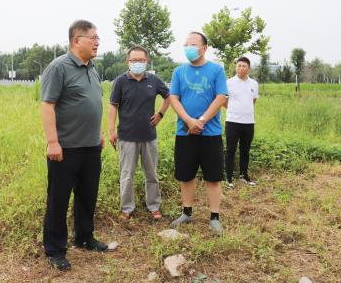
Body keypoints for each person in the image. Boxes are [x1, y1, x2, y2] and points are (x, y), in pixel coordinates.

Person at [40, 20, 107, 272]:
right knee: (58, 199)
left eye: (98, 38)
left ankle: (84, 237)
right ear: (76, 40)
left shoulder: (92, 68)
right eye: (93, 38)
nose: (97, 42)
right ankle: (55, 249)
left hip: (91, 147)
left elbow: (92, 103)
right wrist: (53, 141)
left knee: (87, 195)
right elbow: (47, 105)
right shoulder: (58, 67)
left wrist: (98, 132)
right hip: (65, 148)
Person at [168, 32, 228, 235]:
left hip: (210, 133)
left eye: (193, 44)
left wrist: (201, 121)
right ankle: (186, 212)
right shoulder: (178, 72)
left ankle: (214, 216)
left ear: (204, 48)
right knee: (186, 175)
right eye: (186, 44)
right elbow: (174, 98)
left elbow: (221, 97)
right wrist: (188, 120)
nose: (188, 47)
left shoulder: (216, 70)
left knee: (213, 177)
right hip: (185, 132)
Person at [108, 46, 170, 220]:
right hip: (127, 137)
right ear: (128, 62)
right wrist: (111, 129)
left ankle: (154, 206)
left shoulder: (154, 80)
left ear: (146, 61)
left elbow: (168, 96)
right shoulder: (120, 81)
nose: (137, 63)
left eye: (141, 60)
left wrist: (161, 114)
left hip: (149, 136)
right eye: (134, 60)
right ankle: (127, 208)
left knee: (151, 174)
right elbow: (113, 105)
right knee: (126, 175)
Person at [224, 56, 259, 188]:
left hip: (249, 122)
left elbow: (253, 101)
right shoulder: (229, 82)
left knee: (245, 150)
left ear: (249, 68)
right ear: (235, 67)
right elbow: (224, 101)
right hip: (232, 121)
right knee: (230, 150)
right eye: (239, 65)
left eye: (244, 66)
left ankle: (244, 175)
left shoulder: (254, 84)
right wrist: (234, 109)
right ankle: (229, 177)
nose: (241, 68)